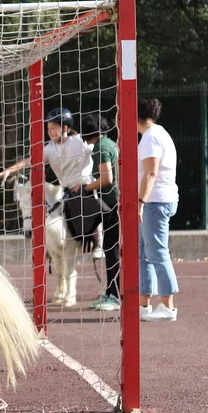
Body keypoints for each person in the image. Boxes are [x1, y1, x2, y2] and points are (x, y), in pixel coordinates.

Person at [137, 98, 180, 322]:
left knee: (157, 253)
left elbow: (151, 172)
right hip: (156, 201)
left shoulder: (151, 137)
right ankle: (144, 304)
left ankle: (168, 306)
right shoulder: (157, 133)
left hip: (154, 202)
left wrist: (140, 201)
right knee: (144, 253)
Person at [78, 114, 121, 311]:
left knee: (111, 249)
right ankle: (112, 291)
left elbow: (106, 179)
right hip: (115, 203)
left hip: (113, 205)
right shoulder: (110, 143)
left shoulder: (101, 148)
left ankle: (114, 295)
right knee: (111, 248)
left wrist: (85, 188)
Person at [0, 107, 94, 191]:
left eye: (53, 128)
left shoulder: (80, 141)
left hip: (87, 191)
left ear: (65, 128)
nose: (50, 132)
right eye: (48, 129)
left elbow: (98, 147)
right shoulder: (50, 149)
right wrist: (8, 171)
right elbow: (29, 161)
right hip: (68, 193)